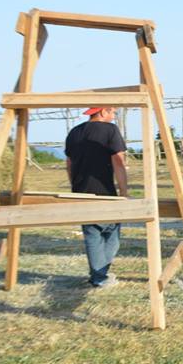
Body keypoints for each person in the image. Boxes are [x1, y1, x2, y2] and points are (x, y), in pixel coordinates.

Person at [65, 106, 128, 288]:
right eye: (113, 112)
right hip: (105, 191)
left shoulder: (75, 132)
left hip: (80, 190)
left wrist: (74, 185)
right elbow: (118, 161)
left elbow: (69, 163)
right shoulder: (110, 130)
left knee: (93, 233)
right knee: (111, 235)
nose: (114, 116)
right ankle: (99, 277)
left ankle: (100, 274)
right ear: (103, 112)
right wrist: (124, 191)